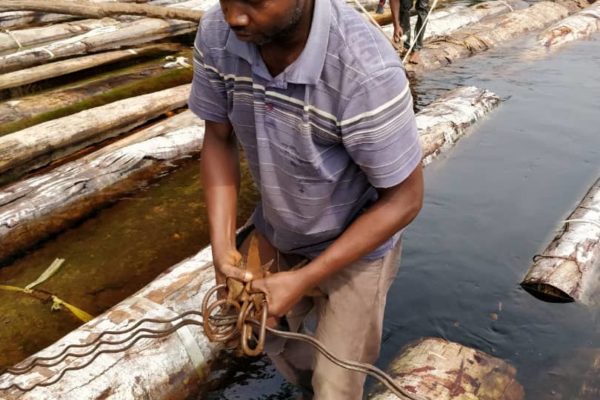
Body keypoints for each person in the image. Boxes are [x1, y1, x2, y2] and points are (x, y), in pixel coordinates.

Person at [189, 0, 424, 398]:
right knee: (261, 333)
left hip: (357, 242)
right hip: (280, 226)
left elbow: (405, 200)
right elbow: (218, 137)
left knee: (336, 386)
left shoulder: (364, 69)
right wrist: (223, 247)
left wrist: (303, 279)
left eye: (254, 1)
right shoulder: (217, 33)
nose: (234, 17)